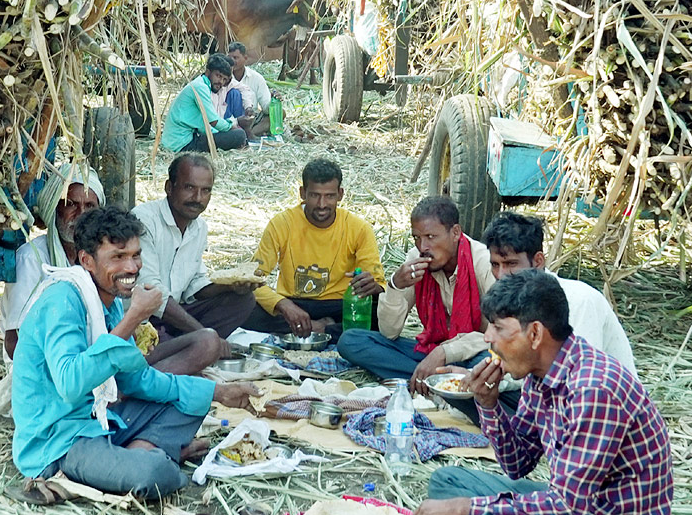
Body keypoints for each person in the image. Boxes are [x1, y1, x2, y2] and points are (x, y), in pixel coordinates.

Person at [416, 269, 673, 515]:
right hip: (576, 506)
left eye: (499, 329)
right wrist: (488, 405)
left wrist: (465, 509)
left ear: (535, 333)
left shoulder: (593, 389)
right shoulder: (541, 374)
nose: (488, 338)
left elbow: (566, 507)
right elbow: (518, 465)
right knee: (445, 484)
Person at [11, 207, 259, 499]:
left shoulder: (110, 301)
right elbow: (69, 384)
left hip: (100, 420)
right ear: (87, 260)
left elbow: (137, 380)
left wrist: (218, 392)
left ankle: (129, 459)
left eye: (136, 255)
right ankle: (75, 478)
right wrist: (133, 318)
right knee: (155, 475)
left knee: (193, 401)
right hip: (59, 439)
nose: (132, 268)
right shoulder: (62, 299)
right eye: (118, 257)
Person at [439, 211, 637, 423]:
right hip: (544, 387)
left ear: (538, 261)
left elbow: (583, 379)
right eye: (495, 265)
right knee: (478, 380)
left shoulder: (578, 300)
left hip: (597, 406)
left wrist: (499, 383)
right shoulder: (516, 302)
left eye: (511, 264)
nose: (501, 275)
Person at [337, 195, 494, 392]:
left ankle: (434, 379)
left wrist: (444, 351)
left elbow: (497, 336)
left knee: (491, 361)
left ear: (455, 233)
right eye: (417, 238)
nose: (423, 247)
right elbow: (389, 332)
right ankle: (440, 382)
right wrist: (395, 285)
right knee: (351, 341)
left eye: (431, 237)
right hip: (431, 352)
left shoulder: (484, 262)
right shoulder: (415, 260)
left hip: (473, 354)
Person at [133, 155, 257, 369]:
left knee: (243, 300)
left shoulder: (198, 228)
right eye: (189, 187)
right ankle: (194, 346)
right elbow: (153, 292)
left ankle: (186, 345)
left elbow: (195, 285)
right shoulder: (145, 219)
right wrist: (203, 333)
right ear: (169, 188)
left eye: (206, 190)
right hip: (143, 319)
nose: (197, 198)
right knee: (156, 339)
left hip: (177, 316)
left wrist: (230, 286)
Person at [243, 158, 384, 336]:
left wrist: (369, 284)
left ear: (340, 194)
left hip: (339, 304)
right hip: (295, 304)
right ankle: (328, 330)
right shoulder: (281, 224)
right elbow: (253, 279)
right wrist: (284, 305)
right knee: (240, 305)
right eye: (315, 195)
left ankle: (319, 328)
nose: (322, 205)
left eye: (329, 196)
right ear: (303, 193)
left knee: (382, 311)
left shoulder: (359, 228)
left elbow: (378, 284)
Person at [0, 163, 104, 359]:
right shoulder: (31, 258)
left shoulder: (98, 258)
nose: (81, 214)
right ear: (54, 207)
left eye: (90, 206)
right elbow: (15, 343)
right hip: (41, 371)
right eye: (71, 204)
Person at [159, 53, 249, 152]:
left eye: (224, 79)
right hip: (182, 144)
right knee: (240, 135)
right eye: (218, 76)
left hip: (181, 140)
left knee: (237, 134)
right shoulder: (200, 87)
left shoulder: (201, 84)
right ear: (208, 71)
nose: (221, 82)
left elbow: (204, 125)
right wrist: (232, 125)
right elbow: (214, 121)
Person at [227, 41, 273, 137]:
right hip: (231, 119)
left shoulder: (256, 78)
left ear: (245, 59)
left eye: (235, 58)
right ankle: (246, 134)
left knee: (279, 114)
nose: (232, 61)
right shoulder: (224, 77)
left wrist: (273, 101)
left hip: (252, 119)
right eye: (229, 58)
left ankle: (249, 133)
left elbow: (266, 107)